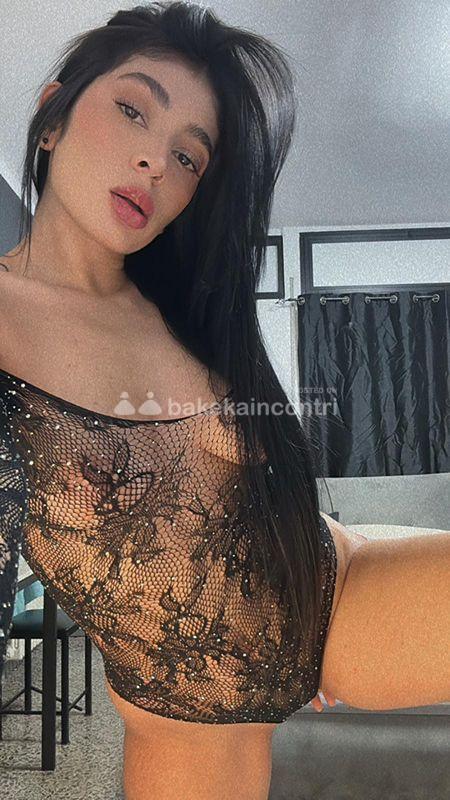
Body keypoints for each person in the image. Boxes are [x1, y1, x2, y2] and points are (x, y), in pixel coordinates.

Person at [0, 3, 448, 799]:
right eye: (132, 109)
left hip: (340, 590)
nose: (154, 162)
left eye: (188, 157)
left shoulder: (184, 310)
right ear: (52, 118)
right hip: (195, 718)